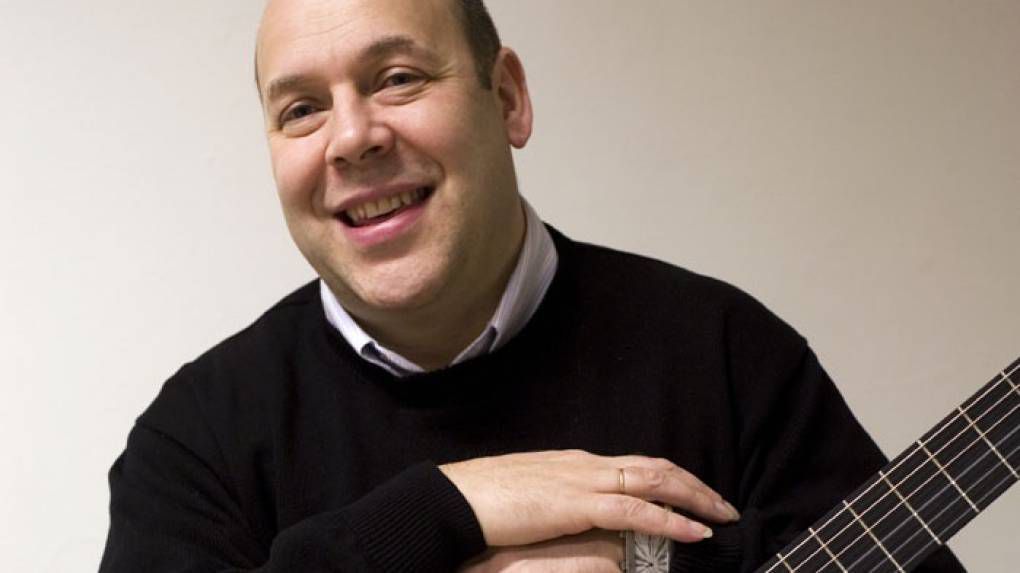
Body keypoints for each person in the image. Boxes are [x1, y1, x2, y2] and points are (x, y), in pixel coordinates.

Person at [100, 1, 965, 571]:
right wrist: (441, 510)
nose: (352, 137)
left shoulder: (725, 351)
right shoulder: (197, 438)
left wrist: (646, 562)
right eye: (301, 109)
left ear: (508, 97)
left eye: (398, 78)